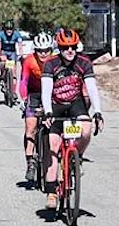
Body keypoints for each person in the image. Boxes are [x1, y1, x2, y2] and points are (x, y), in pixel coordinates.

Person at [40, 28, 104, 209]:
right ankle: (52, 192)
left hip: (75, 105)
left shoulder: (84, 63)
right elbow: (46, 90)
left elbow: (92, 88)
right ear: (59, 48)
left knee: (86, 131)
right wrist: (47, 111)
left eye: (73, 47)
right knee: (52, 146)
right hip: (56, 106)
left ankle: (78, 157)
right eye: (65, 47)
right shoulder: (51, 64)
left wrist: (97, 111)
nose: (70, 51)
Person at [18, 32, 54, 188]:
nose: (44, 54)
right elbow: (23, 81)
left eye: (47, 50)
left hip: (51, 94)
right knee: (30, 128)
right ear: (35, 50)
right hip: (34, 94)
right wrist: (24, 99)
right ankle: (30, 162)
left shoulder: (55, 60)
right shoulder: (29, 61)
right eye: (40, 50)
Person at [0, 21, 24, 96]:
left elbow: (20, 46)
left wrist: (21, 55)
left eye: (11, 29)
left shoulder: (17, 34)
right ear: (4, 29)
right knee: (2, 62)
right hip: (4, 52)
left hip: (12, 53)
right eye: (7, 29)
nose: (9, 31)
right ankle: (2, 77)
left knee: (13, 72)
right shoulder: (0, 34)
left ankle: (13, 92)